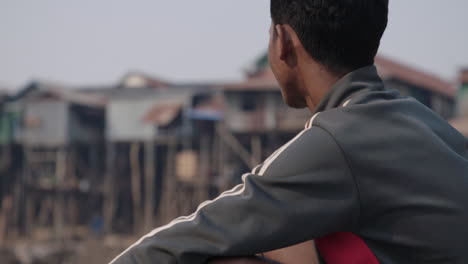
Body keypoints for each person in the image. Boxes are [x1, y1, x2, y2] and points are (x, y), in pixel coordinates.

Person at [110, 1, 468, 263]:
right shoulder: (428, 123)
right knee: (283, 239)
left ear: (282, 41)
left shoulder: (337, 141)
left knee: (227, 257)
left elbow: (197, 232)